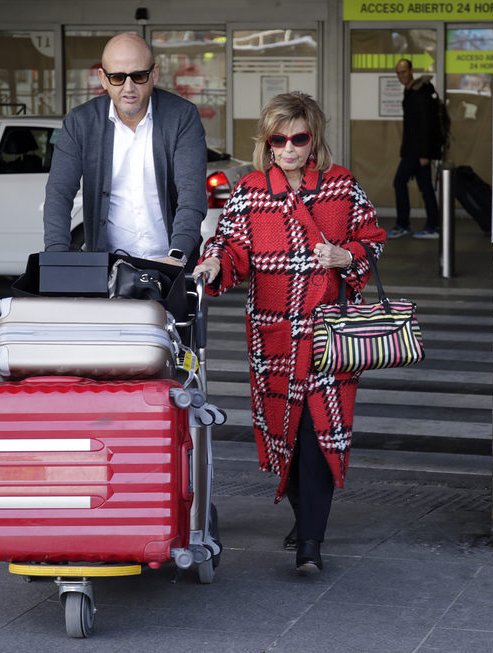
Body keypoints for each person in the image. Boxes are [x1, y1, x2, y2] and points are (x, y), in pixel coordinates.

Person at [192, 92, 386, 575]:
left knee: (319, 433)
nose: (290, 148)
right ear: (268, 142)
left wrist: (348, 256)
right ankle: (306, 521)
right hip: (274, 333)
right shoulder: (252, 190)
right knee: (287, 432)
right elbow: (230, 245)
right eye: (279, 139)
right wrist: (215, 262)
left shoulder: (342, 187)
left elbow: (373, 239)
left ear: (313, 138)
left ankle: (311, 547)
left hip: (329, 335)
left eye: (299, 138)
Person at [43, 33, 208, 268]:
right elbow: (59, 192)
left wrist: (177, 255)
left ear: (155, 75)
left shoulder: (181, 116)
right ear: (103, 78)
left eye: (139, 76)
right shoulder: (80, 122)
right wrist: (57, 256)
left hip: (171, 264)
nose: (128, 88)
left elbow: (191, 195)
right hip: (107, 266)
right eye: (118, 77)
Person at [389, 57, 444, 240]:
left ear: (411, 71)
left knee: (399, 182)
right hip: (415, 150)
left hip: (418, 152)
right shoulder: (411, 91)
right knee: (426, 187)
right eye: (398, 72)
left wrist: (425, 153)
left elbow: (426, 124)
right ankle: (433, 225)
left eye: (403, 72)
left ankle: (403, 224)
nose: (400, 76)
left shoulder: (419, 92)